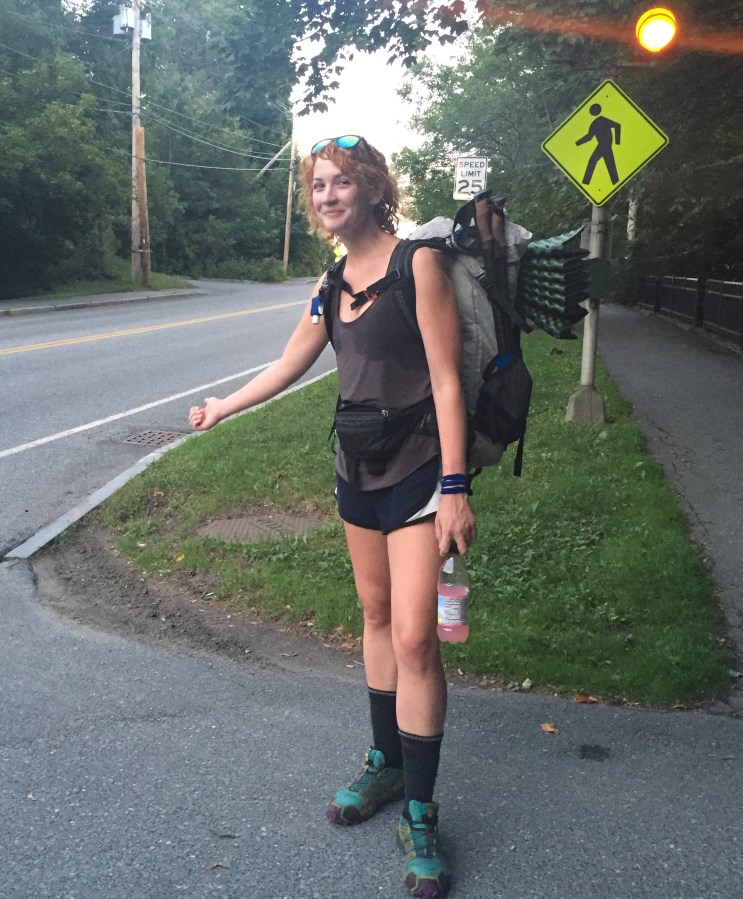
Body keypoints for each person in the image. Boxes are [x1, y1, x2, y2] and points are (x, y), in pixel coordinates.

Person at [188, 134, 474, 899]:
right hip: (356, 469)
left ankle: (421, 811)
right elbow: (292, 361)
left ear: (374, 188)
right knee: (375, 616)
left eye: (342, 182)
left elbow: (447, 380)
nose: (327, 195)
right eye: (318, 185)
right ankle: (386, 762)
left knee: (415, 638)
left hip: (418, 469)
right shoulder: (331, 282)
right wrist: (224, 405)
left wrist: (455, 485)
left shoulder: (417, 265)